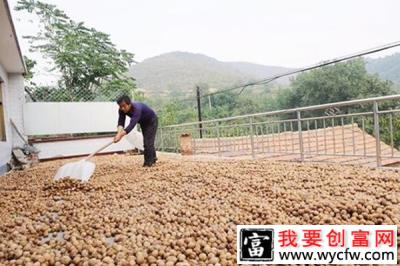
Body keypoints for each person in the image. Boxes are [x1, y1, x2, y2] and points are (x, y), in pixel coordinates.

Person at [114, 95, 158, 167]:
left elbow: (132, 124)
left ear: (129, 104)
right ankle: (153, 158)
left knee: (148, 142)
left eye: (124, 106)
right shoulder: (121, 110)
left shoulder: (137, 108)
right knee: (147, 141)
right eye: (120, 106)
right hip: (143, 122)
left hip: (151, 121)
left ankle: (148, 163)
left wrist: (121, 135)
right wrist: (118, 134)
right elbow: (121, 123)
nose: (122, 108)